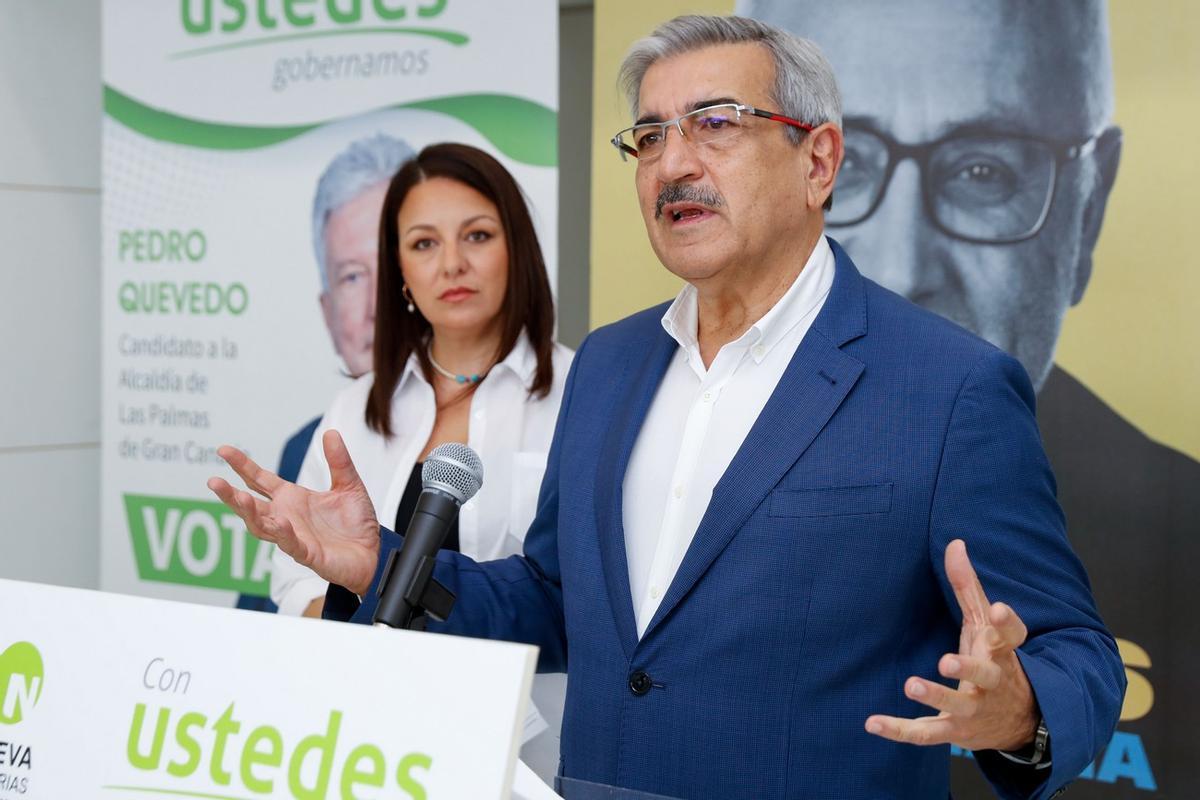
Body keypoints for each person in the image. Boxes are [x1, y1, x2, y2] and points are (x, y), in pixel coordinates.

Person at [210, 16, 1123, 799]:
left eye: (715, 124)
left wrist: (1020, 712)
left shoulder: (948, 386)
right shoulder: (610, 364)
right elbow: (555, 599)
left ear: (819, 159)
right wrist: (381, 565)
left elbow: (1078, 650)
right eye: (650, 137)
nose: (674, 163)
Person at [740, 1, 1200, 793]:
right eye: (850, 167)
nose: (909, 264)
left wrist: (1025, 715)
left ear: (1087, 209)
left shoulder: (1182, 527)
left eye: (984, 171)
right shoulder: (678, 436)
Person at [267, 141, 573, 781]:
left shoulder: (581, 392)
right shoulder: (355, 406)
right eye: (424, 244)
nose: (452, 264)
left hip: (527, 759)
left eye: (478, 235)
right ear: (399, 270)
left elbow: (577, 598)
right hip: (371, 746)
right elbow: (293, 584)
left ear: (516, 247)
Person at [236, 133, 417, 613]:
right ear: (327, 312)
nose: (377, 305)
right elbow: (267, 621)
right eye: (353, 276)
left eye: (393, 262)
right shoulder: (307, 446)